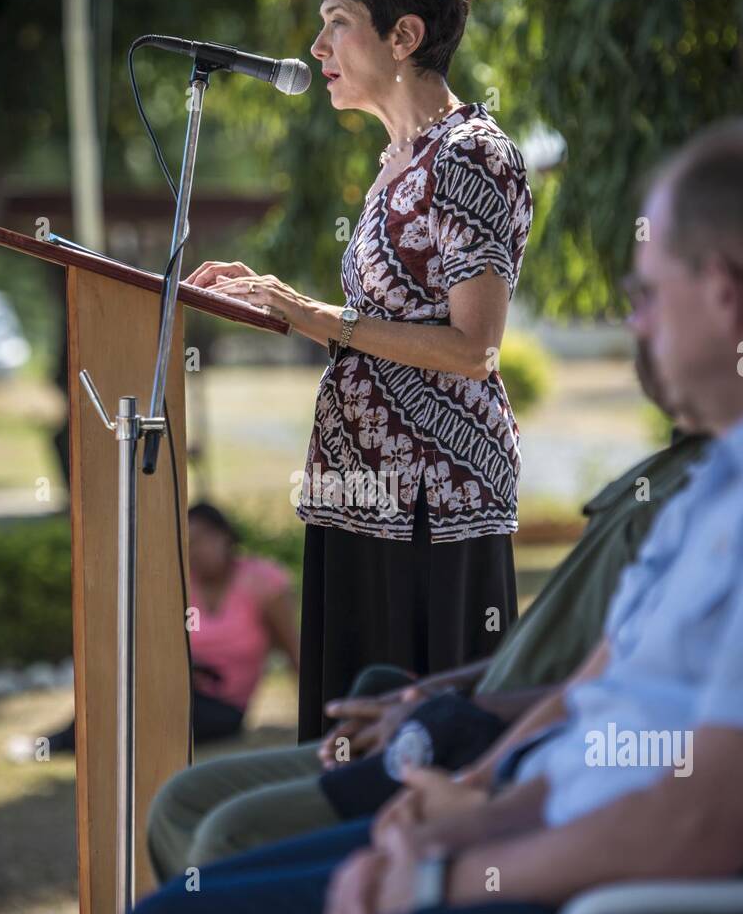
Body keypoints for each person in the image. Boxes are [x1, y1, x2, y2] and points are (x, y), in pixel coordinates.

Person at [105, 119, 743, 914]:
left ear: (724, 292)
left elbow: (694, 825)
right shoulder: (713, 485)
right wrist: (467, 810)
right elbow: (590, 709)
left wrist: (448, 872)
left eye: (643, 295)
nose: (633, 325)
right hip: (548, 856)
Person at [145, 340, 708, 879]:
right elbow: (588, 660)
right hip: (472, 721)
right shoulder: (668, 473)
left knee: (225, 834)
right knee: (180, 800)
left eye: (655, 295)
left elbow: (629, 696)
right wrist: (422, 696)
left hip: (504, 750)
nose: (640, 326)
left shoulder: (725, 503)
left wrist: (466, 739)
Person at [185, 0, 533, 741]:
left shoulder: (470, 155)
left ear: (404, 37)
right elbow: (387, 326)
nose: (316, 49)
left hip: (431, 498)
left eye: (337, 25)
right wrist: (268, 301)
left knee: (422, 743)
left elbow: (473, 346)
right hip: (362, 491)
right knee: (351, 742)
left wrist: (313, 315)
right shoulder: (397, 161)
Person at [6, 501, 298, 760]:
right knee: (119, 697)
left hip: (224, 706)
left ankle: (59, 743)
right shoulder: (179, 582)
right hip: (174, 688)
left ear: (224, 536)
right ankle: (64, 742)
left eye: (201, 540)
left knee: (136, 712)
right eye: (187, 543)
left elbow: (293, 651)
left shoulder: (262, 583)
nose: (195, 551)